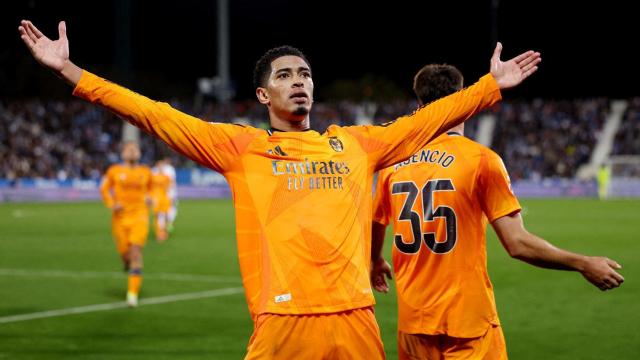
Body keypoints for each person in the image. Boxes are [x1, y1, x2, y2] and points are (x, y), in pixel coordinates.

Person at [19, 19, 540, 359]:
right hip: (282, 324)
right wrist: (69, 71)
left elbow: (428, 121)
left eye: (306, 74)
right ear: (263, 93)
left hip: (356, 322)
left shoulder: (357, 145)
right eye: (286, 74)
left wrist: (488, 87)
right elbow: (155, 115)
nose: (300, 80)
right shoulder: (240, 148)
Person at [370, 64, 625, 359]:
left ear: (419, 105)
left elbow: (376, 221)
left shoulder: (392, 166)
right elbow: (517, 244)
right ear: (463, 101)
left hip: (414, 325)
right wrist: (582, 263)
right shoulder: (481, 160)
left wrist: (376, 260)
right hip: (468, 326)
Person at [99, 141, 152, 307]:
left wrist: (150, 198)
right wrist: (111, 203)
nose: (132, 151)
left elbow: (152, 189)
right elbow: (104, 189)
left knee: (136, 252)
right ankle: (128, 264)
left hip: (140, 215)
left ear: (139, 153)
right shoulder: (114, 171)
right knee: (126, 256)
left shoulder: (146, 171)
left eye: (135, 148)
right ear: (122, 154)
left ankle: (132, 295)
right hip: (120, 218)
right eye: (128, 149)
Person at [151, 159, 172, 242]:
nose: (161, 167)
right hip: (156, 198)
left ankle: (164, 231)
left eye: (162, 165)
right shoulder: (153, 177)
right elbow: (150, 188)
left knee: (165, 215)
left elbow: (170, 186)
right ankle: (159, 233)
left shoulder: (166, 177)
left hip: (164, 198)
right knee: (157, 216)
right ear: (157, 166)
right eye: (159, 165)